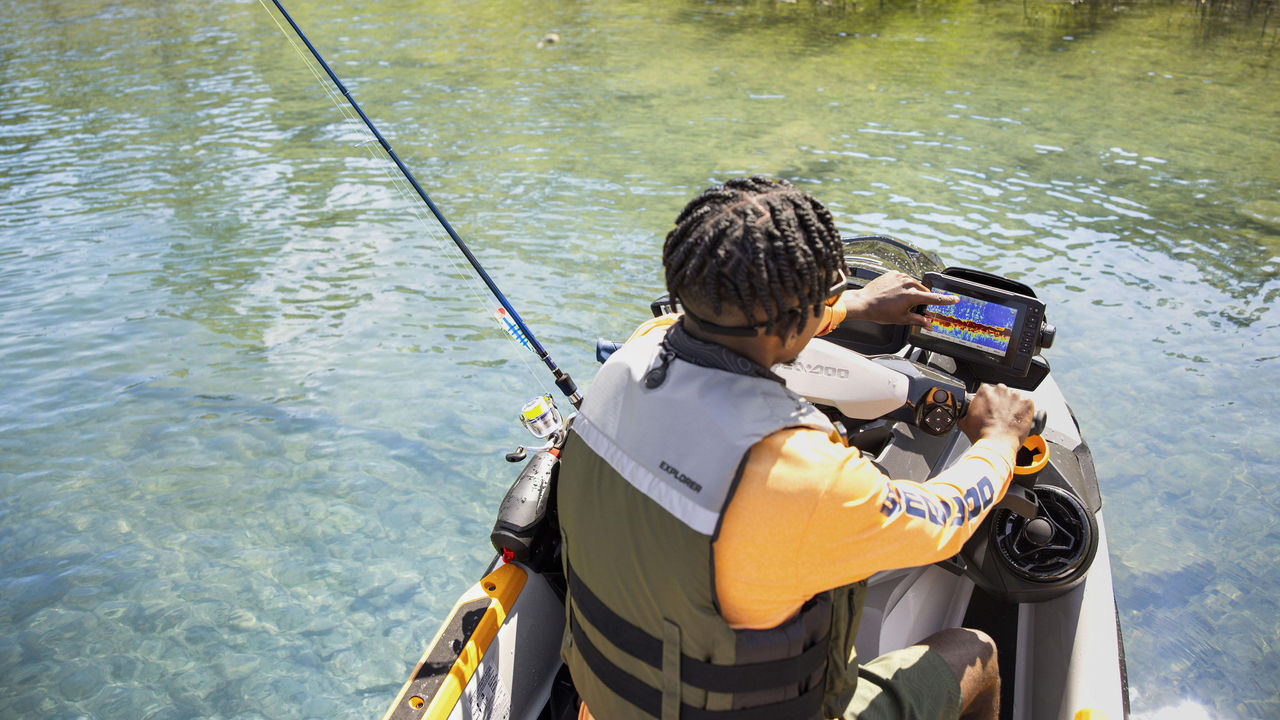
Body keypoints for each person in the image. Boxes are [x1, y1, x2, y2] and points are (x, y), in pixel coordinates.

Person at [556, 177, 1034, 720]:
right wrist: (997, 439)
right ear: (798, 315)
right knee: (975, 651)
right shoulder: (800, 470)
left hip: (607, 704)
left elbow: (729, 327)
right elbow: (944, 520)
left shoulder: (635, 352)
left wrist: (850, 306)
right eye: (828, 292)